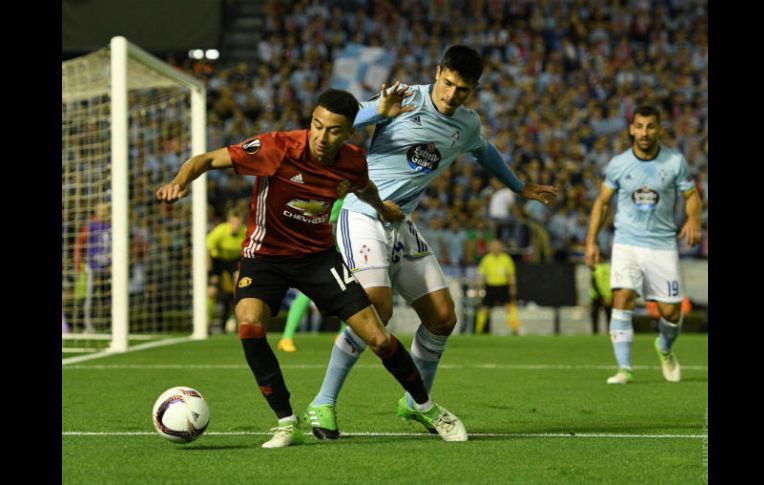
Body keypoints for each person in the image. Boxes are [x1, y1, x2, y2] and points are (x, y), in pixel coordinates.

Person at [156, 88, 467, 448]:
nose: (321, 136)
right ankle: (287, 422)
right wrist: (178, 183)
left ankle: (427, 408)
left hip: (318, 258)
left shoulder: (351, 160)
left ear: (349, 132)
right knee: (249, 322)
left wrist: (383, 209)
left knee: (379, 336)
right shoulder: (277, 147)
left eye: (333, 130)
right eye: (316, 126)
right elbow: (206, 160)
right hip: (266, 256)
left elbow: (363, 188)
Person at [306, 45, 558, 439]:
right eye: (447, 83)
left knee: (443, 316)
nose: (451, 94)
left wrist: (519, 186)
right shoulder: (404, 96)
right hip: (362, 212)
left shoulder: (467, 125)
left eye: (462, 89)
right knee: (377, 309)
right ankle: (323, 403)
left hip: (400, 222)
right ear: (437, 72)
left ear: (473, 90)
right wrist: (379, 111)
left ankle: (414, 402)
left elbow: (485, 153)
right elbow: (345, 120)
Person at [584, 105, 702, 385]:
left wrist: (693, 219)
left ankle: (664, 347)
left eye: (650, 126)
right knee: (622, 297)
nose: (644, 132)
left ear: (660, 129)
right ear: (631, 129)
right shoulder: (618, 164)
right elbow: (601, 204)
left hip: (662, 245)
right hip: (627, 242)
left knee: (671, 313)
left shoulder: (675, 162)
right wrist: (590, 242)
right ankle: (624, 368)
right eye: (639, 126)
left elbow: (692, 195)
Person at [277, 198, 346, 353]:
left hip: (340, 243)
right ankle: (286, 337)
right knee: (307, 292)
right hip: (319, 243)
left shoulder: (348, 191)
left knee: (348, 288)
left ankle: (343, 335)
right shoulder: (328, 191)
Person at [206, 206, 247, 333]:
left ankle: (241, 321)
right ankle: (206, 323)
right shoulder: (220, 231)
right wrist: (210, 270)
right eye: (233, 222)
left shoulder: (245, 232)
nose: (235, 225)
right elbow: (207, 248)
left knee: (238, 286)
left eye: (238, 223)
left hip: (234, 261)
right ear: (229, 221)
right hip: (217, 261)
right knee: (211, 291)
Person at [73, 202, 111, 333]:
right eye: (101, 210)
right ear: (96, 211)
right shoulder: (90, 225)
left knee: (109, 297)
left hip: (108, 268)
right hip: (93, 267)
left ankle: (110, 325)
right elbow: (79, 244)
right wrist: (78, 264)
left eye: (106, 210)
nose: (104, 212)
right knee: (90, 298)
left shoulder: (111, 225)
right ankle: (87, 326)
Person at [474, 239, 519, 335]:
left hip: (503, 287)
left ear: (501, 248)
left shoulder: (506, 259)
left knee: (508, 308)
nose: (496, 249)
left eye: (498, 247)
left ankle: (514, 329)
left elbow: (511, 275)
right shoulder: (486, 259)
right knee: (484, 308)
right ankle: (478, 330)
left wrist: (512, 288)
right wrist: (478, 288)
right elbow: (481, 276)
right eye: (494, 247)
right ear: (490, 248)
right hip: (490, 287)